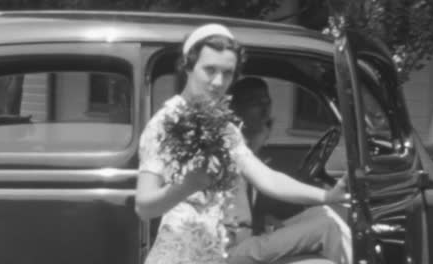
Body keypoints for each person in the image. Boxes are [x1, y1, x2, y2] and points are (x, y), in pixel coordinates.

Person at [135, 23, 349, 264]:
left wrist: (327, 196)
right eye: (209, 70)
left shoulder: (224, 127)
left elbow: (266, 177)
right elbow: (144, 207)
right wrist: (186, 186)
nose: (218, 81)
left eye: (227, 73)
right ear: (188, 66)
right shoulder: (165, 123)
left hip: (218, 255)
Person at [226, 77, 352, 264]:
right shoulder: (227, 145)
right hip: (232, 251)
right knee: (326, 225)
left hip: (250, 238)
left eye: (266, 101)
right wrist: (328, 195)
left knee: (321, 213)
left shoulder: (245, 148)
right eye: (254, 102)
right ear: (236, 111)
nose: (264, 107)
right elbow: (270, 181)